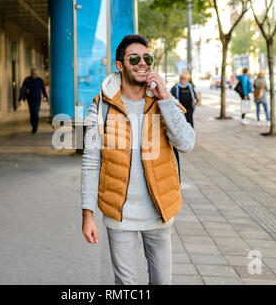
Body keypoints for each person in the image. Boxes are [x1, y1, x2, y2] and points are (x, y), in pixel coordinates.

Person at [81, 34, 195, 285]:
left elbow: (186, 143)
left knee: (162, 282)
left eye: (147, 58)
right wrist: (87, 213)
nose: (142, 63)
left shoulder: (164, 102)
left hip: (158, 213)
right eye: (135, 58)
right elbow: (91, 162)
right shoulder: (101, 108)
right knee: (127, 285)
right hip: (119, 216)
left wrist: (164, 97)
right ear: (120, 65)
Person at [21, 68, 48, 134]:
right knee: (32, 112)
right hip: (30, 98)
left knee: (36, 111)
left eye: (35, 73)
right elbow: (23, 88)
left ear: (37, 74)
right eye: (33, 73)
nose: (34, 75)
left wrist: (46, 97)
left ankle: (35, 126)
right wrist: (26, 90)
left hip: (37, 98)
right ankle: (33, 125)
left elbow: (43, 89)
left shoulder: (40, 80)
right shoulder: (27, 80)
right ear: (31, 73)